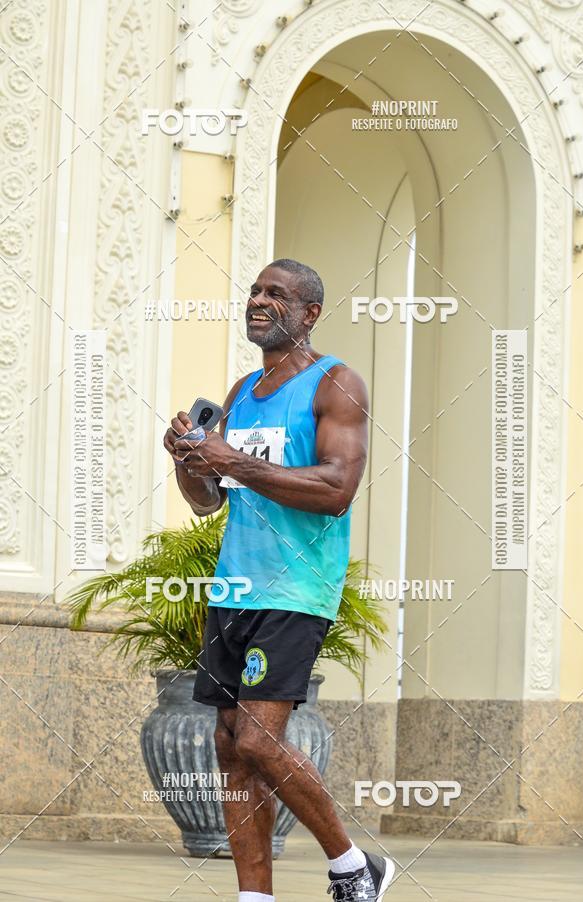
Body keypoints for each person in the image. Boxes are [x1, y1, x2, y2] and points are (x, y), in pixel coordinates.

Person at [163, 259, 395, 901]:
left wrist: (229, 457)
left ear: (309, 314)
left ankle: (353, 865)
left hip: (297, 590)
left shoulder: (335, 383)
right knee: (230, 748)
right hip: (233, 587)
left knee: (261, 742)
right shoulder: (241, 392)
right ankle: (255, 896)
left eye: (277, 294)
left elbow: (336, 489)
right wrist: (190, 459)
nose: (259, 301)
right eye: (256, 291)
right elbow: (208, 500)